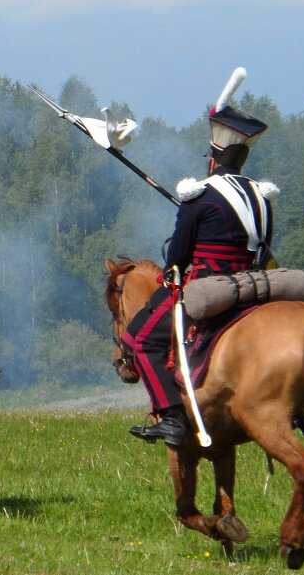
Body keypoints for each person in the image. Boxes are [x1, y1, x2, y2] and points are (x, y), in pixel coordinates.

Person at [122, 76, 277, 447]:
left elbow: (177, 258)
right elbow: (263, 246)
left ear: (212, 158)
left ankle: (172, 418)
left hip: (209, 285)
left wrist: (173, 272)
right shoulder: (262, 195)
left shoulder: (200, 195)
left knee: (139, 339)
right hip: (254, 285)